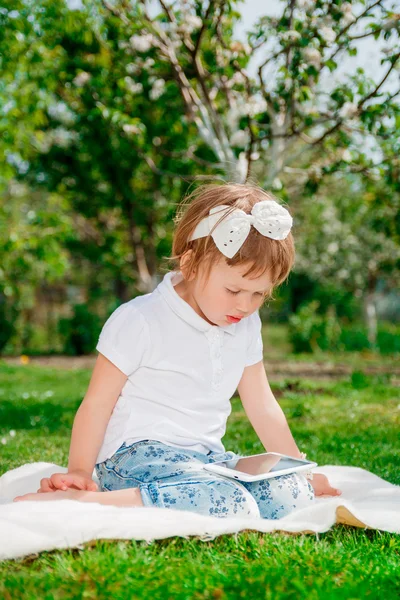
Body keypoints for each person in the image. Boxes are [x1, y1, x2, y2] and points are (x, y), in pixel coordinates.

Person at [15, 182, 341, 518]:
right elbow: (97, 404)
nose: (245, 305)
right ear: (191, 265)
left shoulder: (245, 325)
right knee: (228, 502)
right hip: (134, 459)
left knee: (291, 495)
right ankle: (84, 504)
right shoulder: (141, 319)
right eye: (233, 289)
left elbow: (262, 404)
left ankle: (218, 489)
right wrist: (80, 472)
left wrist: (299, 471)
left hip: (205, 461)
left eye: (259, 295)